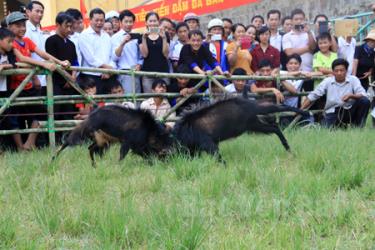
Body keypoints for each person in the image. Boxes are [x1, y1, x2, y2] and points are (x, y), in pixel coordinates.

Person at [6, 11, 68, 151]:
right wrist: (43, 64)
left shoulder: (27, 41)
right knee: (14, 118)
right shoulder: (10, 42)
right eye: (18, 25)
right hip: (15, 86)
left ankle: (29, 143)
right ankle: (20, 146)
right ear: (9, 27)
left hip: (28, 85)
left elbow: (42, 53)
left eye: (23, 25)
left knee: (40, 113)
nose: (22, 28)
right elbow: (22, 58)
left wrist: (59, 62)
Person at [301, 59, 370, 128]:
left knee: (364, 101)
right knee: (325, 129)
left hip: (350, 109)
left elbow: (363, 94)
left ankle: (358, 127)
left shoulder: (353, 79)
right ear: (333, 71)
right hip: (333, 111)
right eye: (336, 71)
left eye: (341, 70)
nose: (339, 73)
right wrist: (300, 110)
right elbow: (313, 95)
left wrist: (351, 95)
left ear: (346, 70)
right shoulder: (327, 81)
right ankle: (341, 125)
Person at [45, 12, 79, 120]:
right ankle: (55, 137)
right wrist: (68, 78)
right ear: (58, 25)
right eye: (66, 26)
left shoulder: (71, 43)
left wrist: (72, 77)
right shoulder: (51, 41)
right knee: (56, 111)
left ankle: (67, 136)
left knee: (69, 111)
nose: (69, 29)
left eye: (70, 26)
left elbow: (75, 62)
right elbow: (52, 61)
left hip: (70, 84)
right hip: (56, 82)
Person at [78, 8, 114, 94]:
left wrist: (110, 71)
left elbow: (112, 56)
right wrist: (108, 68)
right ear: (90, 20)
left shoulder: (106, 36)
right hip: (91, 77)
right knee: (94, 105)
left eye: (101, 20)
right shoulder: (84, 35)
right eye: (96, 20)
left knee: (106, 105)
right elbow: (91, 59)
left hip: (107, 76)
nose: (99, 23)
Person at [282, 8, 316, 91]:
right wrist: (307, 48)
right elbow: (289, 53)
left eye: (301, 19)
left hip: (309, 72)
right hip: (294, 74)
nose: (299, 21)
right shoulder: (287, 36)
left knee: (310, 96)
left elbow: (313, 47)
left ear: (304, 20)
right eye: (296, 19)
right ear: (292, 21)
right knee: (295, 98)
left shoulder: (310, 33)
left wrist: (308, 33)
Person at [111, 9, 143, 94]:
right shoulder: (115, 37)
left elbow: (141, 55)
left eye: (131, 21)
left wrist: (140, 64)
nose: (128, 24)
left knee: (137, 99)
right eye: (126, 21)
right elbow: (114, 57)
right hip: (124, 72)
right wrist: (123, 43)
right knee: (128, 99)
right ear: (121, 22)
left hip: (136, 72)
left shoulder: (137, 36)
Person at [140, 12, 170, 93]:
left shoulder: (165, 34)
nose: (153, 23)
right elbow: (145, 54)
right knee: (149, 99)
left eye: (155, 21)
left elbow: (166, 54)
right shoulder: (142, 36)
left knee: (164, 97)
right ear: (146, 23)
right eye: (150, 21)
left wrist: (164, 38)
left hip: (163, 72)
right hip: (148, 73)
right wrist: (143, 38)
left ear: (158, 22)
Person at [25, 1, 48, 93]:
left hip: (44, 76)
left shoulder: (39, 29)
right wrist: (34, 78)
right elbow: (26, 56)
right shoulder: (25, 30)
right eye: (37, 11)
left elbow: (42, 53)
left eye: (41, 12)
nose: (40, 14)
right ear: (28, 12)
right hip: (33, 78)